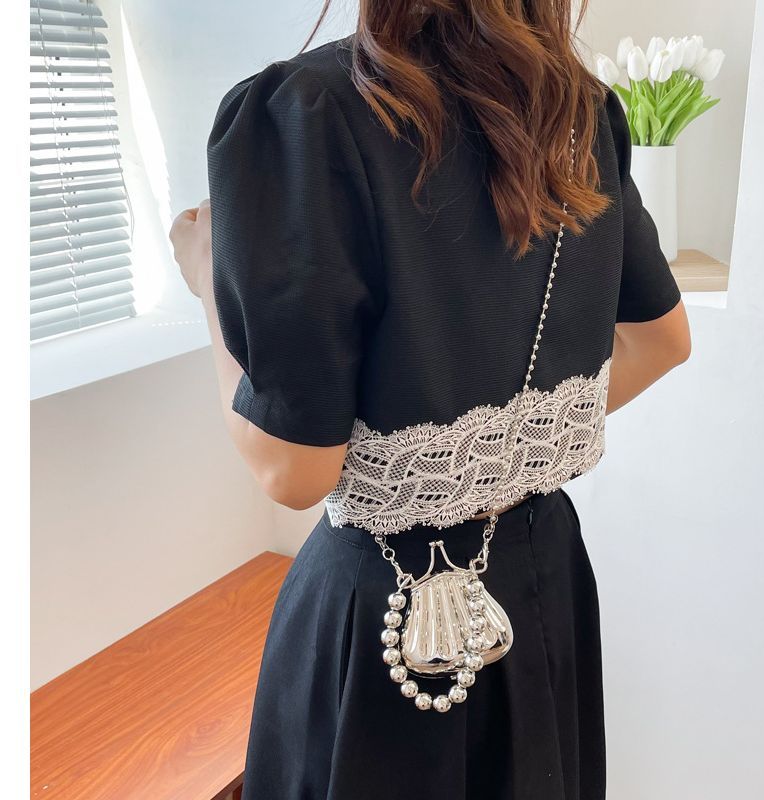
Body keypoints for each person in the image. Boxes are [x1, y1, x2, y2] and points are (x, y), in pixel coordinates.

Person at [170, 3, 690, 798]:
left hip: (383, 610)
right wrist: (499, 456)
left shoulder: (308, 113)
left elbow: (292, 470)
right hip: (539, 582)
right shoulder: (579, 110)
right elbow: (661, 342)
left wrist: (207, 279)